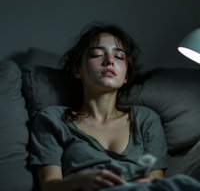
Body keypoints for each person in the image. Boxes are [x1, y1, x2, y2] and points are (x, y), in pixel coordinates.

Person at [29, 21, 172, 191]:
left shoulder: (146, 120)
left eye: (119, 57)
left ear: (126, 76)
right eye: (97, 54)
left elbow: (155, 182)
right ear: (78, 70)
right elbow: (49, 185)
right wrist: (82, 180)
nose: (110, 60)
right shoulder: (52, 119)